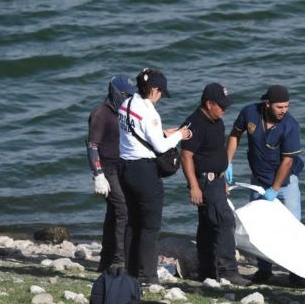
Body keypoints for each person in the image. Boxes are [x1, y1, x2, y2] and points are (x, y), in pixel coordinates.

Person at [118, 68, 192, 286]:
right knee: (150, 227)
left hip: (126, 168)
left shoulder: (126, 104)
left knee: (132, 224)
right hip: (144, 172)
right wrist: (179, 135)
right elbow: (160, 147)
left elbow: (135, 134)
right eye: (160, 92)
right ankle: (149, 276)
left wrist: (162, 133)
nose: (160, 96)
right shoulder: (150, 113)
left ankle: (131, 273)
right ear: (153, 90)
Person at [227, 84, 304, 283]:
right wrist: (227, 163)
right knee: (260, 228)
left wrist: (275, 189)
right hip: (259, 181)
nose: (284, 111)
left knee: (292, 228)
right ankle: (264, 270)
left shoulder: (290, 126)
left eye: (287, 106)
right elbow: (235, 135)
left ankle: (296, 273)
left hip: (286, 184)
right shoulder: (250, 113)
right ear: (267, 103)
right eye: (280, 107)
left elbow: (287, 161)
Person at [180, 83, 250, 286]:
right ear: (209, 104)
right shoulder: (195, 123)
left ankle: (207, 270)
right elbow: (186, 156)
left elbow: (216, 151)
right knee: (224, 221)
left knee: (208, 225)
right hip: (205, 180)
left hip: (217, 180)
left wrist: (223, 177)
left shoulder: (216, 121)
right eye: (221, 105)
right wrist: (193, 186)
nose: (225, 109)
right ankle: (228, 270)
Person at [86, 75, 136, 272]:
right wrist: (98, 174)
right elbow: (92, 146)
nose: (128, 99)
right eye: (125, 95)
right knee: (122, 210)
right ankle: (119, 259)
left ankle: (105, 260)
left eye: (131, 96)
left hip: (124, 167)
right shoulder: (101, 114)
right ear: (115, 93)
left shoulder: (125, 113)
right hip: (107, 169)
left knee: (113, 214)